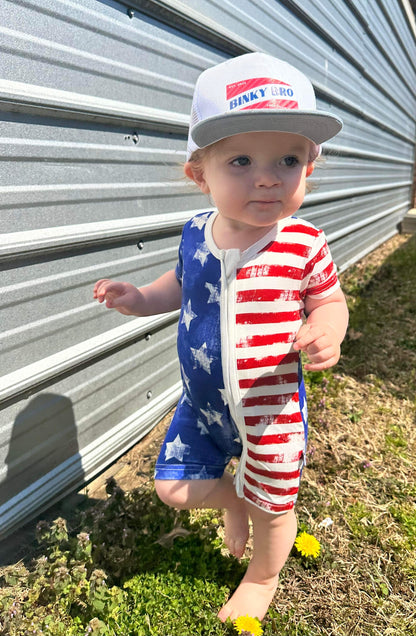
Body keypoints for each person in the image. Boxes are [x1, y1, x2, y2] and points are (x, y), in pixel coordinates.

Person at [94, 52, 349, 623]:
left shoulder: (302, 243)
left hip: (270, 409)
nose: (267, 176)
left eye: (288, 159)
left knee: (274, 505)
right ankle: (233, 499)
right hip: (203, 405)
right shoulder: (194, 234)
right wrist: (139, 299)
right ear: (198, 174)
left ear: (309, 168)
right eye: (240, 160)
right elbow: (180, 286)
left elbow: (330, 299)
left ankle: (262, 576)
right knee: (173, 489)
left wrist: (327, 328)